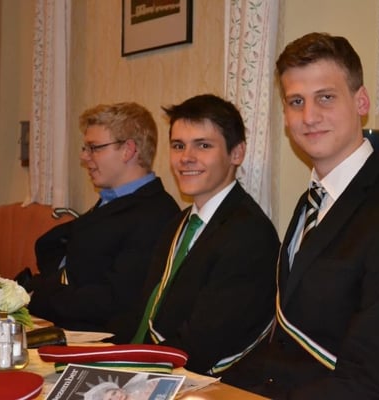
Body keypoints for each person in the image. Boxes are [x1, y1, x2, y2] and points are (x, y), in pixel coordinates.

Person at [222, 32, 379, 399]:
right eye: (296, 101)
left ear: (361, 101)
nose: (309, 116)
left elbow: (368, 378)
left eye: (325, 97)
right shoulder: (313, 200)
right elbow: (286, 341)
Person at [110, 94, 280, 376]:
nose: (186, 158)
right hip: (148, 364)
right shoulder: (178, 224)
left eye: (203, 145)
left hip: (205, 382)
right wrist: (104, 357)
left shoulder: (249, 235)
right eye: (178, 146)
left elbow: (203, 346)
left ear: (237, 153)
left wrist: (129, 372)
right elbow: (145, 311)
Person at [25, 102, 180, 332]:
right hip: (64, 320)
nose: (84, 156)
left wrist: (34, 295)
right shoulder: (113, 199)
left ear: (128, 150)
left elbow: (114, 302)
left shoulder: (156, 214)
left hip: (96, 339)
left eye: (94, 148)